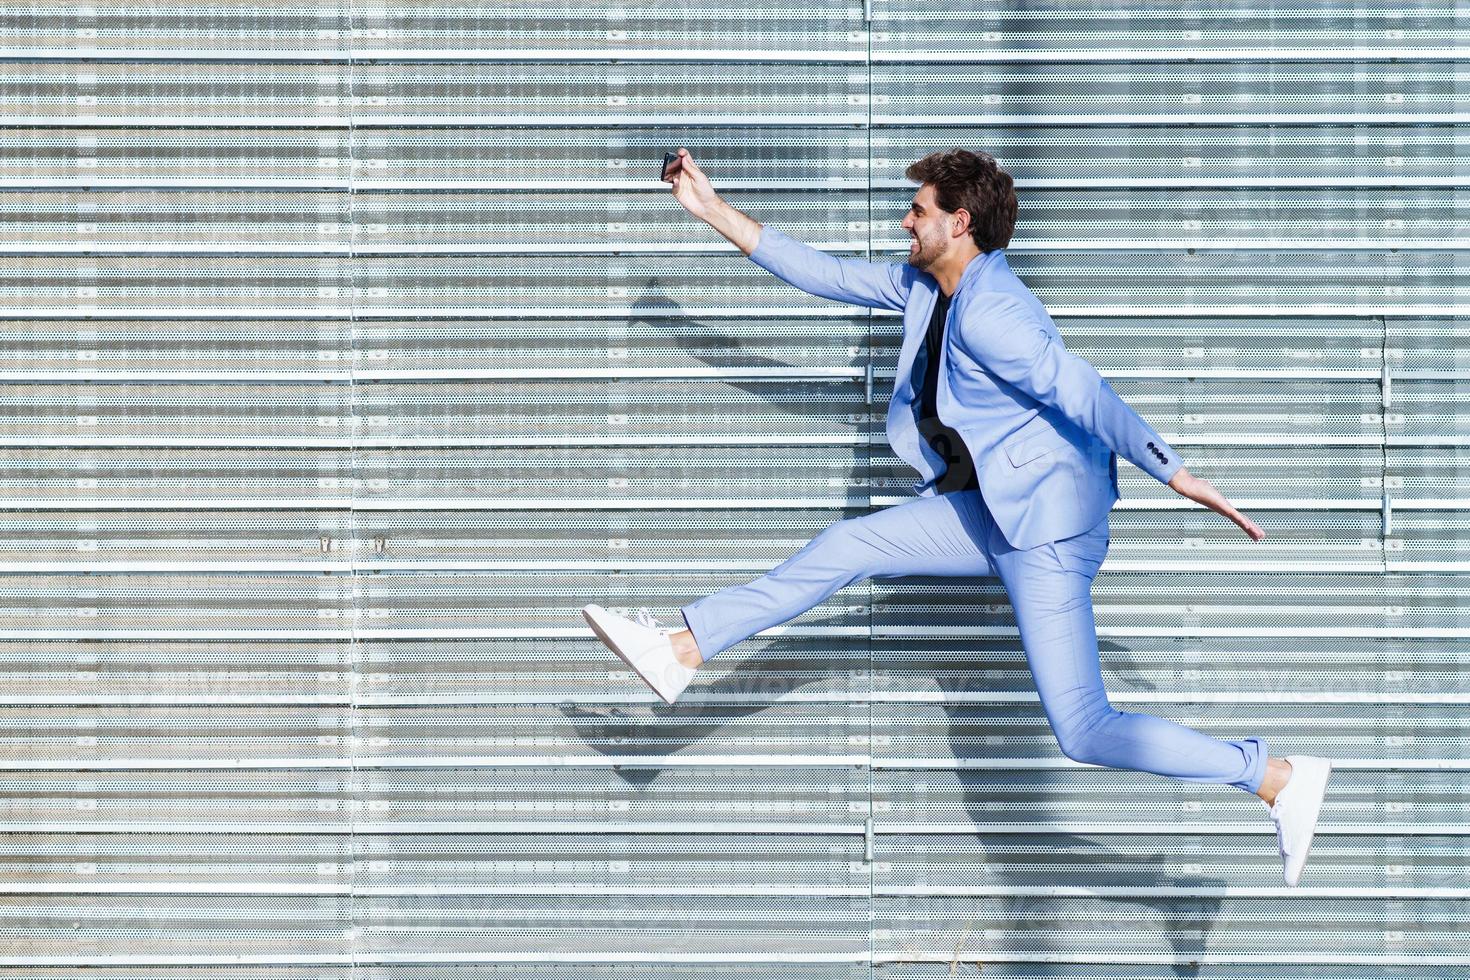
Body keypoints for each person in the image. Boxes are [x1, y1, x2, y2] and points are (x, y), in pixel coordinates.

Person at [582, 147, 1332, 885]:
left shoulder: (995, 314)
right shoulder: (925, 288)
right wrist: (711, 210)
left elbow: (1083, 391)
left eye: (918, 211)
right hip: (988, 510)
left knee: (1084, 730)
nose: (905, 222)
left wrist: (1175, 472)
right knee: (852, 544)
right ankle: (682, 648)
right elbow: (825, 274)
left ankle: (1273, 776)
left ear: (960, 222)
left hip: (1047, 531)